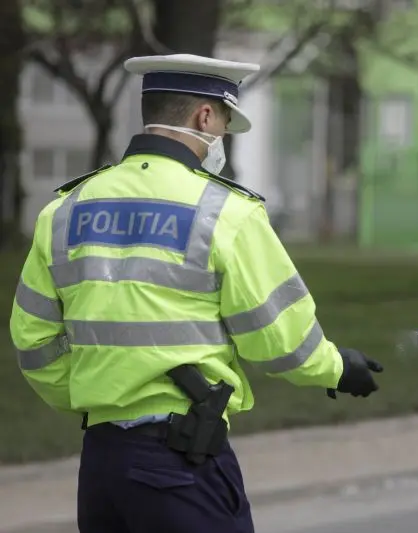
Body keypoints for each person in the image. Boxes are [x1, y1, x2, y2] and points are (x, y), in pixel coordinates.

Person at [9, 53, 383, 533]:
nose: (222, 137)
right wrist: (338, 369)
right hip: (181, 461)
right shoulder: (224, 211)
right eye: (225, 121)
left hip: (102, 465)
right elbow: (278, 337)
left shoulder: (65, 209)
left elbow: (33, 343)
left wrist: (104, 396)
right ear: (205, 116)